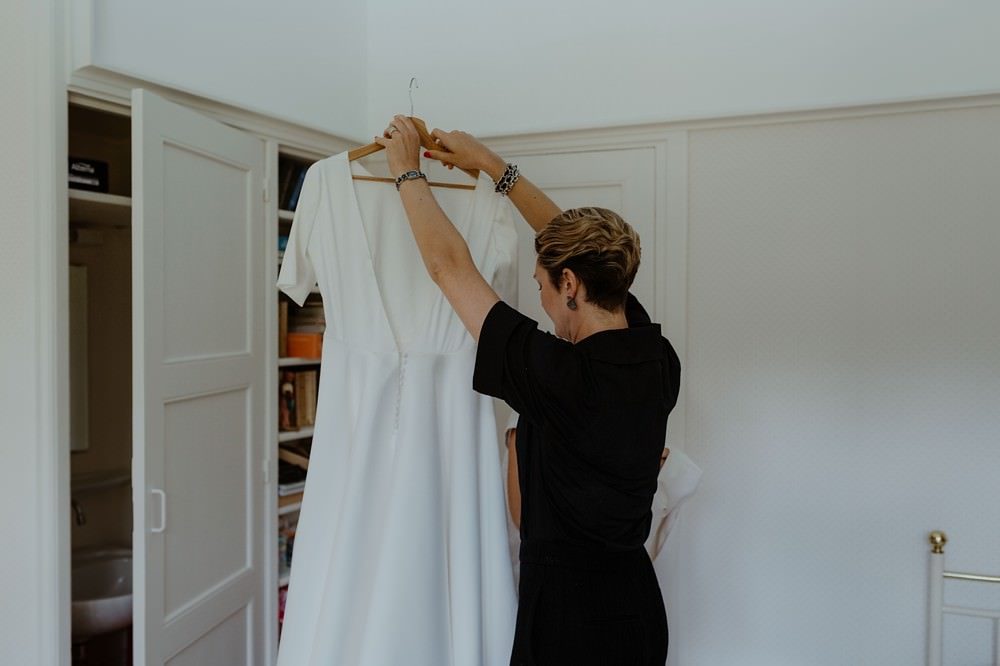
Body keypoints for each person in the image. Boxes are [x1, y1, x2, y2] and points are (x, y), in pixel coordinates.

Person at [374, 115, 682, 666]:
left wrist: (406, 172)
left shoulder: (561, 378)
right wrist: (491, 166)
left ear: (570, 286)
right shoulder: (654, 356)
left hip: (571, 620)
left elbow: (449, 268)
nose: (540, 299)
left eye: (542, 286)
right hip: (636, 606)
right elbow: (578, 250)